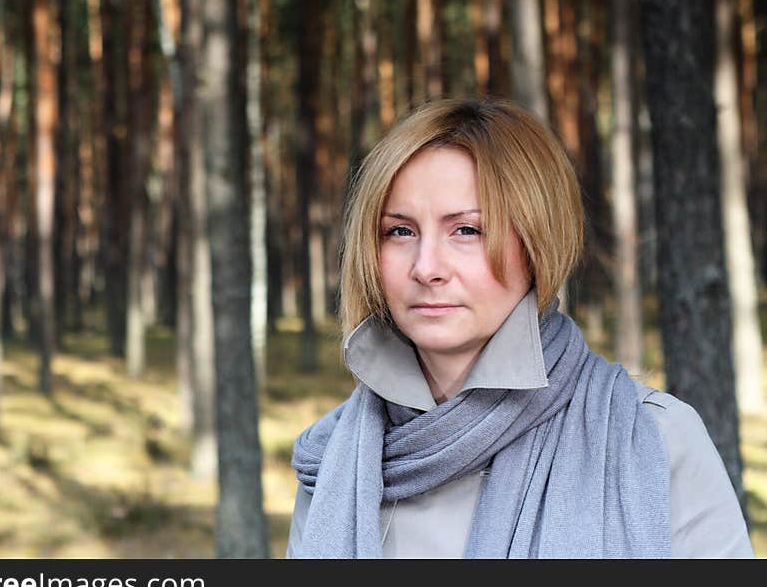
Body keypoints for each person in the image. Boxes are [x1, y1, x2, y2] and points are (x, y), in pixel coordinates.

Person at [286, 98, 754, 559]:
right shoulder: (334, 461)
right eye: (400, 232)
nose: (426, 267)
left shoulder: (655, 440)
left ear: (537, 242)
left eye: (467, 230)